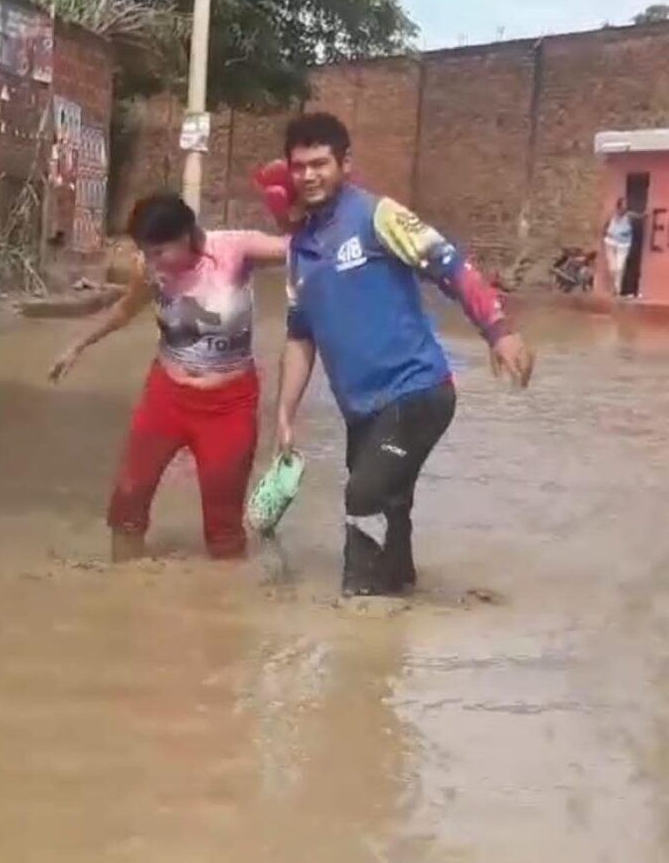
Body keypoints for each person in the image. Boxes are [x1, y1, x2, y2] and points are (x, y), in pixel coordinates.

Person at [268, 112, 534, 598]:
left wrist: (498, 330)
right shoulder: (300, 250)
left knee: (363, 496)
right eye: (299, 166)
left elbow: (449, 265)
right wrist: (285, 415)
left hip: (417, 392)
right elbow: (300, 337)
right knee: (392, 508)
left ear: (345, 163)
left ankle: (361, 607)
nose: (308, 176)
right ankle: (399, 607)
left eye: (320, 163)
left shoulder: (378, 216)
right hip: (362, 410)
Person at [49, 192, 288, 562]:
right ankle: (122, 581)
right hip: (166, 396)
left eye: (159, 252)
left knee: (223, 524)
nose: (151, 263)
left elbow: (301, 248)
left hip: (229, 404)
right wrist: (76, 345)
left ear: (187, 236)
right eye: (145, 253)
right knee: (128, 498)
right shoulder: (149, 269)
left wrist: (295, 208)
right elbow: (125, 311)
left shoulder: (234, 249)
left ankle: (223, 594)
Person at [603, 198, 634, 298]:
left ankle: (617, 290)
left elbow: (639, 216)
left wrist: (645, 214)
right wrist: (605, 235)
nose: (625, 207)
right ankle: (613, 288)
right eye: (623, 205)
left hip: (623, 245)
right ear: (619, 206)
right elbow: (605, 226)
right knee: (612, 268)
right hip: (610, 243)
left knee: (620, 267)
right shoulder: (611, 215)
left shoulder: (629, 216)